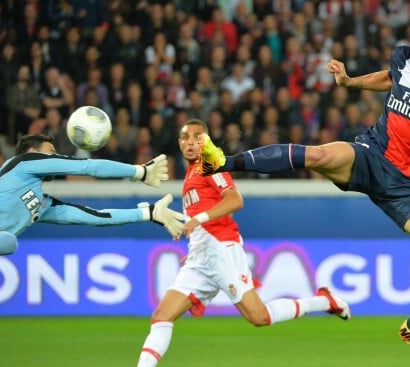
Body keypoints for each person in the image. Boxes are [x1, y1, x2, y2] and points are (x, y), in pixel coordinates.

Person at [197, 8, 410, 362]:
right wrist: (350, 82)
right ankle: (225, 162)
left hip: (404, 184)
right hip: (370, 153)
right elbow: (391, 77)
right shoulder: (403, 57)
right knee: (320, 155)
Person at [136, 119, 351, 367]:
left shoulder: (210, 166)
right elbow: (202, 215)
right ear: (179, 143)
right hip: (201, 256)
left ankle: (325, 301)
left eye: (197, 137)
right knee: (162, 316)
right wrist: (196, 243)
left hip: (222, 250)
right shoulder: (190, 174)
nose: (191, 142)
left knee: (259, 316)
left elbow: (236, 200)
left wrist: (198, 220)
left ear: (205, 141)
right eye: (186, 137)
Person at [0, 134, 184, 275]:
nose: (55, 157)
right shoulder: (23, 163)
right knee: (8, 241)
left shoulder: (41, 204)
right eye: (51, 151)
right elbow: (87, 166)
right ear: (32, 151)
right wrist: (139, 172)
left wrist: (148, 213)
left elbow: (93, 216)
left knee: (7, 241)